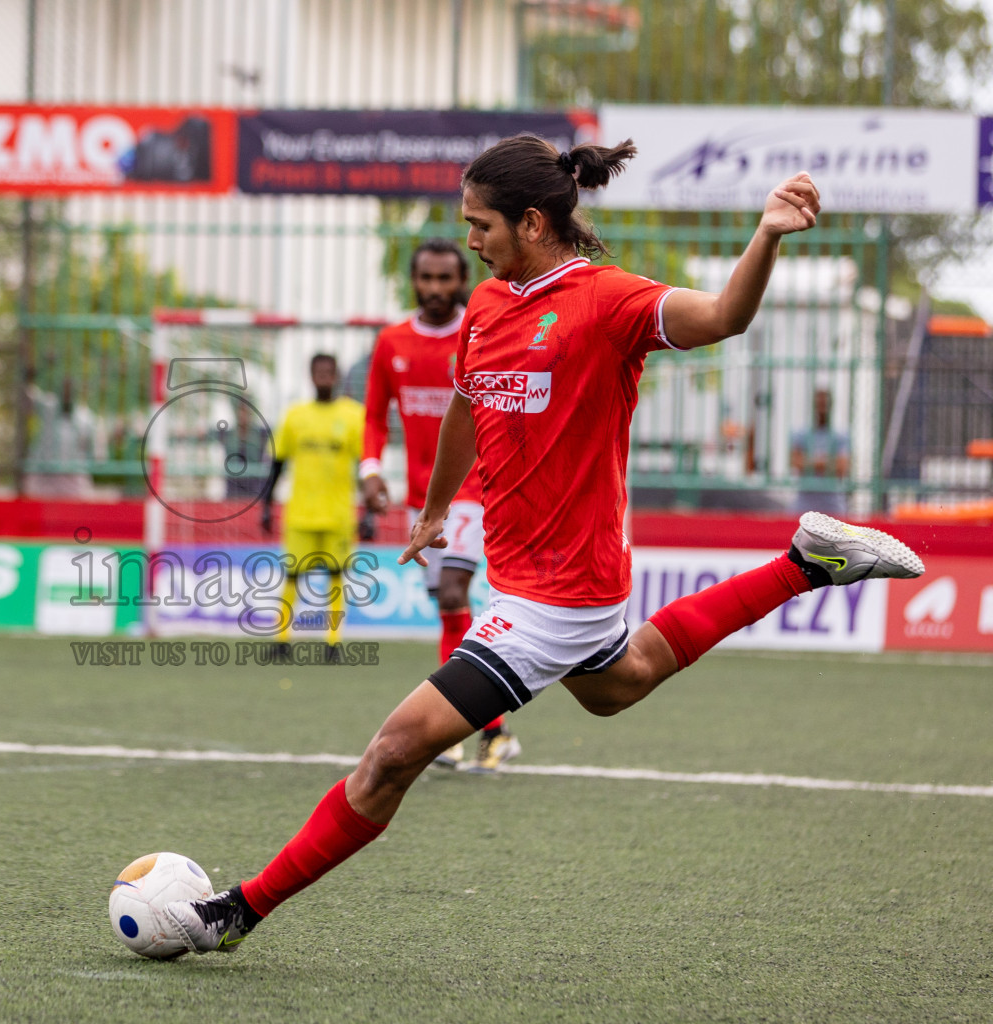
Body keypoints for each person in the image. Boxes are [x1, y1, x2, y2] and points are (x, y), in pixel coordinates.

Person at [164, 138, 925, 954]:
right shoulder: (489, 305)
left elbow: (725, 318)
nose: (467, 242)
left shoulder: (608, 302)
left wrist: (767, 234)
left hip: (558, 595)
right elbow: (466, 405)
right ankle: (806, 562)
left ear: (532, 222)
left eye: (479, 224)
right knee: (618, 684)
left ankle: (239, 909)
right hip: (524, 575)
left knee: (391, 754)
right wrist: (434, 510)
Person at [361, 237, 519, 774]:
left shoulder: (481, 335)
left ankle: (452, 728)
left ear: (461, 280)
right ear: (413, 281)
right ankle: (489, 733)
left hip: (478, 489)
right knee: (449, 609)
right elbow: (374, 417)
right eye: (425, 279)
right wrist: (371, 469)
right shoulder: (392, 342)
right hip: (422, 500)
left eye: (445, 279)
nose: (434, 289)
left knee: (454, 590)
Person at [259, 353, 365, 654]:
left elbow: (364, 466)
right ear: (310, 375)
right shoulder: (295, 416)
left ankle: (333, 642)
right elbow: (277, 464)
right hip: (301, 512)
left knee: (335, 575)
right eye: (318, 371)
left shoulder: (354, 415)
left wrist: (368, 511)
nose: (323, 376)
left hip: (339, 513)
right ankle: (282, 640)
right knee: (293, 573)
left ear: (337, 376)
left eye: (328, 371)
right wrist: (266, 505)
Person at [25, 378, 97, 498]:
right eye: (64, 392)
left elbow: (92, 451)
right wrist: (30, 373)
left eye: (69, 392)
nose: (66, 395)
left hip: (73, 478)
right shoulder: (48, 407)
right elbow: (29, 395)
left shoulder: (85, 417)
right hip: (44, 476)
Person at [790, 388, 850, 514]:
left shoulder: (841, 435)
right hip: (804, 504)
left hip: (833, 504)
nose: (821, 409)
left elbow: (842, 467)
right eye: (819, 404)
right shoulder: (801, 433)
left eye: (824, 405)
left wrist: (810, 461)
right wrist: (828, 461)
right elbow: (796, 463)